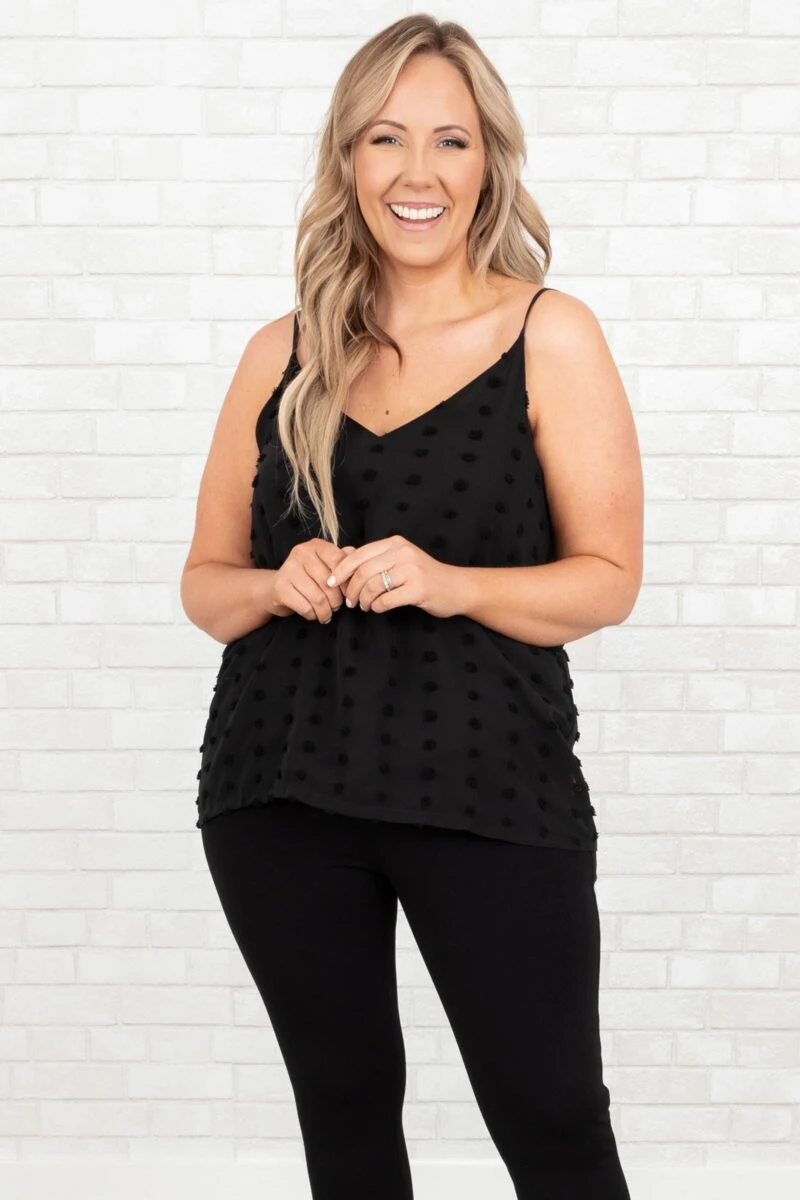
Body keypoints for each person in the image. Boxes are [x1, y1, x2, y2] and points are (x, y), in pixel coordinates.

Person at [180, 14, 642, 1200]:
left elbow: (606, 578)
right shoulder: (280, 353)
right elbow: (206, 585)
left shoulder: (547, 334)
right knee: (343, 1118)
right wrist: (273, 583)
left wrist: (450, 582)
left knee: (550, 1117)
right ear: (347, 159)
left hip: (488, 787)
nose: (416, 172)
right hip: (278, 789)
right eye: (384, 138)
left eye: (450, 139)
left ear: (488, 161)